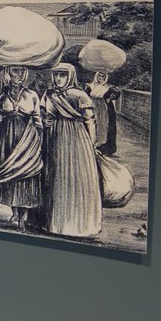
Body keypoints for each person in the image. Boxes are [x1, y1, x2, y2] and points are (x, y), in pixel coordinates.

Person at [0, 44, 44, 231]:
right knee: (9, 174)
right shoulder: (1, 91)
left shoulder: (32, 94)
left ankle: (22, 216)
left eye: (22, 71)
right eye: (15, 71)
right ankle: (14, 211)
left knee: (26, 173)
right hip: (6, 137)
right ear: (9, 73)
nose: (19, 75)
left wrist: (39, 142)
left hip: (27, 137)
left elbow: (38, 120)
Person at [42, 63, 102, 237]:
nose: (59, 79)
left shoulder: (80, 95)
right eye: (56, 75)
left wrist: (92, 144)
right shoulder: (50, 94)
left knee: (78, 177)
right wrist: (46, 122)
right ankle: (55, 223)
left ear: (70, 76)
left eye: (62, 75)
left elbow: (90, 121)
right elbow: (45, 115)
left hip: (77, 138)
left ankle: (78, 224)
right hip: (56, 138)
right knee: (57, 176)